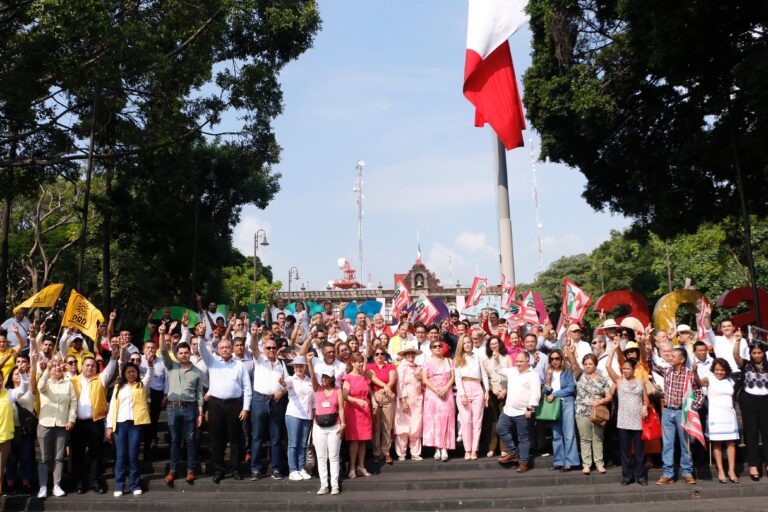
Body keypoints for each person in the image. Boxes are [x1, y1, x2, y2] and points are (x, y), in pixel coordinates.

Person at [198, 336, 252, 483]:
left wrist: (246, 408)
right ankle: (219, 470)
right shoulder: (212, 361)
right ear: (218, 350)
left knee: (235, 440)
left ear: (232, 348)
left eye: (227, 347)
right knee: (216, 439)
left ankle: (235, 469)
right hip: (216, 405)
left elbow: (247, 388)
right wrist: (201, 336)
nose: (225, 350)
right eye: (222, 348)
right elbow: (201, 349)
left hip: (234, 405)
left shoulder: (239, 365)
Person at [70, 343, 119, 494]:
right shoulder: (73, 381)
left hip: (96, 422)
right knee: (77, 454)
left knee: (96, 454)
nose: (90, 367)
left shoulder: (101, 379)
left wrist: (114, 356)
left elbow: (111, 366)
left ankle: (95, 481)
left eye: (92, 365)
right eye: (87, 365)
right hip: (77, 423)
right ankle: (79, 482)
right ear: (81, 366)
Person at [158, 330, 204, 486]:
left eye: (186, 352)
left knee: (191, 440)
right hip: (172, 408)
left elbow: (199, 393)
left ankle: (190, 470)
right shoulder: (171, 366)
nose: (184, 355)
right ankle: (172, 470)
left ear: (190, 353)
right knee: (175, 440)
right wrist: (162, 334)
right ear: (177, 354)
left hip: (190, 408)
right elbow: (163, 351)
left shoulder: (197, 372)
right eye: (181, 353)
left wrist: (200, 413)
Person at [30, 355, 76, 499]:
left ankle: (56, 485)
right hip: (45, 423)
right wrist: (46, 369)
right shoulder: (46, 382)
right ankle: (43, 486)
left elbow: (73, 403)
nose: (57, 368)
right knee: (44, 457)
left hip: (62, 425)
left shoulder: (68, 384)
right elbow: (40, 387)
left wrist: (71, 420)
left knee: (59, 457)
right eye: (54, 366)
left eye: (58, 366)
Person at [655, 347, 702, 485]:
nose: (670, 357)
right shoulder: (667, 370)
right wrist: (643, 344)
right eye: (670, 355)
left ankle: (687, 472)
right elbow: (650, 363)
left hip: (683, 412)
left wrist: (693, 409)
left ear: (682, 360)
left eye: (673, 356)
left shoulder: (690, 373)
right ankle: (668, 473)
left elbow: (699, 392)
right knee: (668, 443)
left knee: (685, 443)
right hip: (668, 411)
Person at [605, 337, 649, 485]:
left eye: (627, 369)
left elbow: (645, 399)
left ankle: (641, 476)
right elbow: (608, 366)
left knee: (639, 451)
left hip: (637, 421)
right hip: (623, 421)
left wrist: (644, 407)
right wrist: (613, 349)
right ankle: (627, 476)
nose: (625, 371)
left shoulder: (640, 382)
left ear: (633, 369)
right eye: (623, 369)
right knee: (625, 452)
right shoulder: (619, 381)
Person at [106, 361, 153, 497]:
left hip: (136, 424)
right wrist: (109, 426)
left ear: (137, 373)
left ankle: (134, 485)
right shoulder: (118, 387)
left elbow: (149, 375)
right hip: (120, 424)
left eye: (134, 371)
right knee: (121, 456)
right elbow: (112, 408)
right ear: (124, 374)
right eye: (128, 372)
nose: (131, 374)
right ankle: (119, 485)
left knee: (133, 456)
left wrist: (150, 364)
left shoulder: (142, 385)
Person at [565, 346, 612, 474]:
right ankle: (586, 464)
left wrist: (600, 401)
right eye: (586, 364)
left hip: (597, 411)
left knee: (598, 438)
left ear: (595, 365)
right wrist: (571, 352)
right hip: (582, 411)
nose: (588, 366)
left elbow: (609, 396)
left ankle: (599, 463)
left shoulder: (602, 379)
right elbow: (574, 364)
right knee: (585, 438)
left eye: (590, 364)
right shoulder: (580, 375)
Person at [692, 358, 738, 483]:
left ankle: (732, 471)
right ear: (713, 369)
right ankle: (721, 470)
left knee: (731, 443)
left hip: (729, 415)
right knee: (717, 443)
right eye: (717, 369)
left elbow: (733, 397)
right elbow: (699, 383)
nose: (719, 372)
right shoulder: (709, 378)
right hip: (716, 415)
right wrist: (695, 372)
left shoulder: (730, 381)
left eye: (722, 370)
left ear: (726, 370)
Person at [496, 352, 541, 472]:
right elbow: (499, 370)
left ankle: (524, 462)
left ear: (528, 361)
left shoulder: (533, 375)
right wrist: (496, 358)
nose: (518, 363)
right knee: (500, 428)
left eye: (521, 361)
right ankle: (513, 452)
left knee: (523, 438)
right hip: (508, 410)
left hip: (523, 411)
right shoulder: (512, 371)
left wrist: (530, 408)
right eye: (517, 361)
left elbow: (536, 393)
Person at [307, 360, 345, 495]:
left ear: (331, 379)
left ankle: (334, 485)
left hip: (334, 426)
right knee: (321, 457)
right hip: (319, 427)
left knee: (333, 457)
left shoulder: (337, 390)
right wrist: (309, 362)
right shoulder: (318, 388)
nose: (323, 379)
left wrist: (343, 424)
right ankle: (324, 485)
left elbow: (341, 409)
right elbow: (312, 376)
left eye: (326, 377)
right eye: (322, 377)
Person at [732, 341, 768, 480]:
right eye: (754, 353)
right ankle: (753, 466)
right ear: (751, 354)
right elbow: (735, 355)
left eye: (759, 353)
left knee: (767, 433)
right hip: (748, 402)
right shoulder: (746, 364)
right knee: (751, 434)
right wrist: (738, 341)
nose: (757, 355)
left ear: (763, 353)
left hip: (765, 401)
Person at [454, 333, 489, 460]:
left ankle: (474, 449)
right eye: (465, 343)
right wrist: (462, 394)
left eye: (469, 342)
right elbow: (457, 379)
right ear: (461, 345)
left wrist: (487, 391)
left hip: (477, 388)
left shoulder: (478, 357)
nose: (467, 344)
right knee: (466, 421)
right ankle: (467, 449)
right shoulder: (458, 359)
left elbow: (484, 375)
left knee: (477, 421)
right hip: (464, 388)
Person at [544, 348, 580, 471]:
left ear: (561, 359)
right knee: (556, 434)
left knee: (569, 433)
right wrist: (548, 378)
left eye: (557, 358)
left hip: (567, 403)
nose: (555, 361)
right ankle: (559, 461)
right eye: (552, 359)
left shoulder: (567, 372)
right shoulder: (549, 372)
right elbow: (546, 391)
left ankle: (570, 462)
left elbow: (570, 389)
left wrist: (555, 394)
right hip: (554, 405)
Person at [3, 362, 35, 496]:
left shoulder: (25, 389)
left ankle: (26, 484)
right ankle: (10, 486)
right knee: (10, 460)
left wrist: (23, 373)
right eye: (16, 374)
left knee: (25, 458)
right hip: (9, 432)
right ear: (10, 377)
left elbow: (24, 385)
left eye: (20, 374)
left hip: (25, 431)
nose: (19, 376)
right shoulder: (7, 392)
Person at [422, 334, 455, 461]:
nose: (437, 348)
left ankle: (445, 447)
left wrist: (446, 388)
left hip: (447, 392)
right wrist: (436, 390)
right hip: (432, 393)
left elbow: (452, 377)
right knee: (434, 421)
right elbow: (424, 379)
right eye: (435, 346)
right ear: (431, 349)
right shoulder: (427, 362)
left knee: (446, 419)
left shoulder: (449, 361)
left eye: (439, 346)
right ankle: (437, 448)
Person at [342, 352, 373, 478]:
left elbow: (369, 391)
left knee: (363, 441)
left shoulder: (365, 377)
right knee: (355, 441)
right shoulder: (348, 377)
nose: (360, 364)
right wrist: (357, 400)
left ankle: (362, 466)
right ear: (352, 363)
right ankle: (352, 468)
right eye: (358, 361)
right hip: (353, 411)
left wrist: (374, 402)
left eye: (362, 361)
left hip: (365, 410)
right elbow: (344, 395)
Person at [284, 356, 314, 481]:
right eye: (296, 366)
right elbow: (285, 383)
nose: (298, 368)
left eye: (301, 366)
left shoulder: (309, 380)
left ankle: (302, 468)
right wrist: (282, 382)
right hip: (293, 414)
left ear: (305, 367)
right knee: (293, 443)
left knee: (303, 444)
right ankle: (292, 470)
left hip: (307, 415)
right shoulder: (291, 379)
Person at [366, 347, 396, 464]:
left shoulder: (390, 366)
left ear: (385, 355)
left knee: (387, 426)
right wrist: (386, 386)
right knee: (376, 427)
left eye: (382, 354)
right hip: (376, 396)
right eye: (377, 354)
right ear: (373, 356)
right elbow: (372, 378)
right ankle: (376, 452)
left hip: (388, 397)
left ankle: (386, 452)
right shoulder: (369, 367)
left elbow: (393, 378)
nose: (379, 356)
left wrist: (387, 386)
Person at [394, 341, 423, 461]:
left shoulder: (418, 367)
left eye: (412, 353)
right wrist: (403, 401)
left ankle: (415, 452)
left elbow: (423, 384)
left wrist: (420, 378)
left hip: (417, 399)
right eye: (408, 354)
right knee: (403, 427)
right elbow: (399, 385)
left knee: (416, 426)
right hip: (405, 399)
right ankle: (402, 453)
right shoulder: (401, 367)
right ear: (404, 356)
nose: (410, 355)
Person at [483, 336, 511, 458]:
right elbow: (485, 378)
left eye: (496, 343)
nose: (494, 345)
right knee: (493, 421)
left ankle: (504, 447)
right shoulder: (486, 360)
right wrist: (490, 388)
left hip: (506, 392)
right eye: (491, 344)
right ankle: (492, 447)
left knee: (504, 421)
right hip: (492, 392)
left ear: (500, 344)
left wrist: (506, 390)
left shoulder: (507, 358)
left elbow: (512, 376)